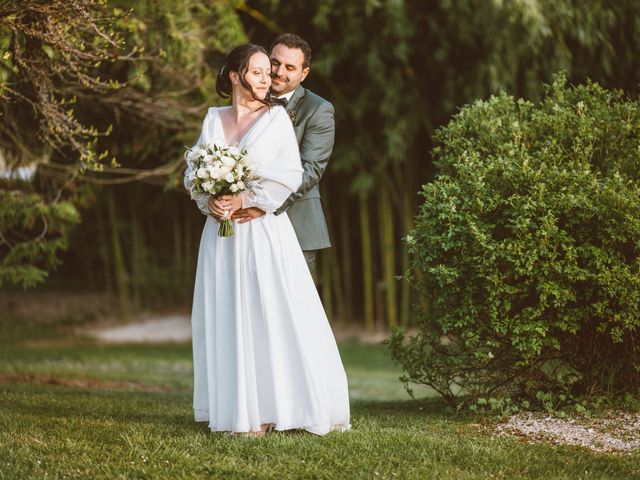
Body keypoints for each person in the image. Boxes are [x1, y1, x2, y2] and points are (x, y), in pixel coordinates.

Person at [184, 43, 350, 436]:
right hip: (222, 237)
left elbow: (291, 173)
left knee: (271, 316)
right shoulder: (213, 118)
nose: (268, 78)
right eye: (258, 71)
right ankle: (238, 410)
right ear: (235, 75)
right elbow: (193, 171)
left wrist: (247, 198)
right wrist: (209, 199)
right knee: (227, 314)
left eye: (269, 71)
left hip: (262, 231)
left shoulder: (276, 118)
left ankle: (278, 408)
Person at [230, 34, 334, 276]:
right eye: (275, 62)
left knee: (296, 310)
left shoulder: (318, 109)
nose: (278, 72)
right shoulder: (246, 98)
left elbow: (310, 170)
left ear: (304, 73)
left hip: (296, 222)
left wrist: (262, 204)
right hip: (244, 224)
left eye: (290, 67)